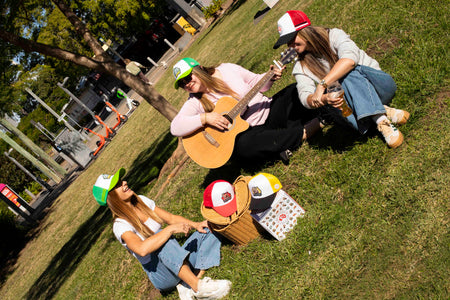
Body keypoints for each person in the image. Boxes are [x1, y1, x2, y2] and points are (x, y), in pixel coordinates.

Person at [273, 10, 410, 148]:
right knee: (337, 91)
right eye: (287, 42)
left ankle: (381, 121)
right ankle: (383, 111)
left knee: (345, 74)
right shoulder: (300, 66)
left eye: (292, 39)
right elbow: (305, 97)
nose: (290, 46)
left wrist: (322, 85)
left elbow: (349, 60)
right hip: (350, 106)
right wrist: (324, 99)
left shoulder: (334, 35)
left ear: (305, 31)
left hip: (379, 86)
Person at [92, 168, 231, 300]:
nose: (124, 183)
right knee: (159, 235)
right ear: (111, 197)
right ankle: (198, 288)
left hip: (175, 260)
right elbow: (141, 249)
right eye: (117, 185)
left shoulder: (141, 200)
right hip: (161, 274)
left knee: (209, 229)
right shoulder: (120, 225)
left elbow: (170, 218)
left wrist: (196, 225)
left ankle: (191, 280)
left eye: (121, 180)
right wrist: (169, 230)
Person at [170, 57, 322, 164]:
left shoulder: (227, 69)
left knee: (293, 91)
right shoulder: (195, 101)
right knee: (243, 147)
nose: (187, 84)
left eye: (188, 78)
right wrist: (205, 118)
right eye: (182, 84)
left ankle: (279, 145)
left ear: (200, 69)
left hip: (269, 110)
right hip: (252, 132)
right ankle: (303, 131)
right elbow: (175, 127)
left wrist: (269, 77)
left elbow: (256, 83)